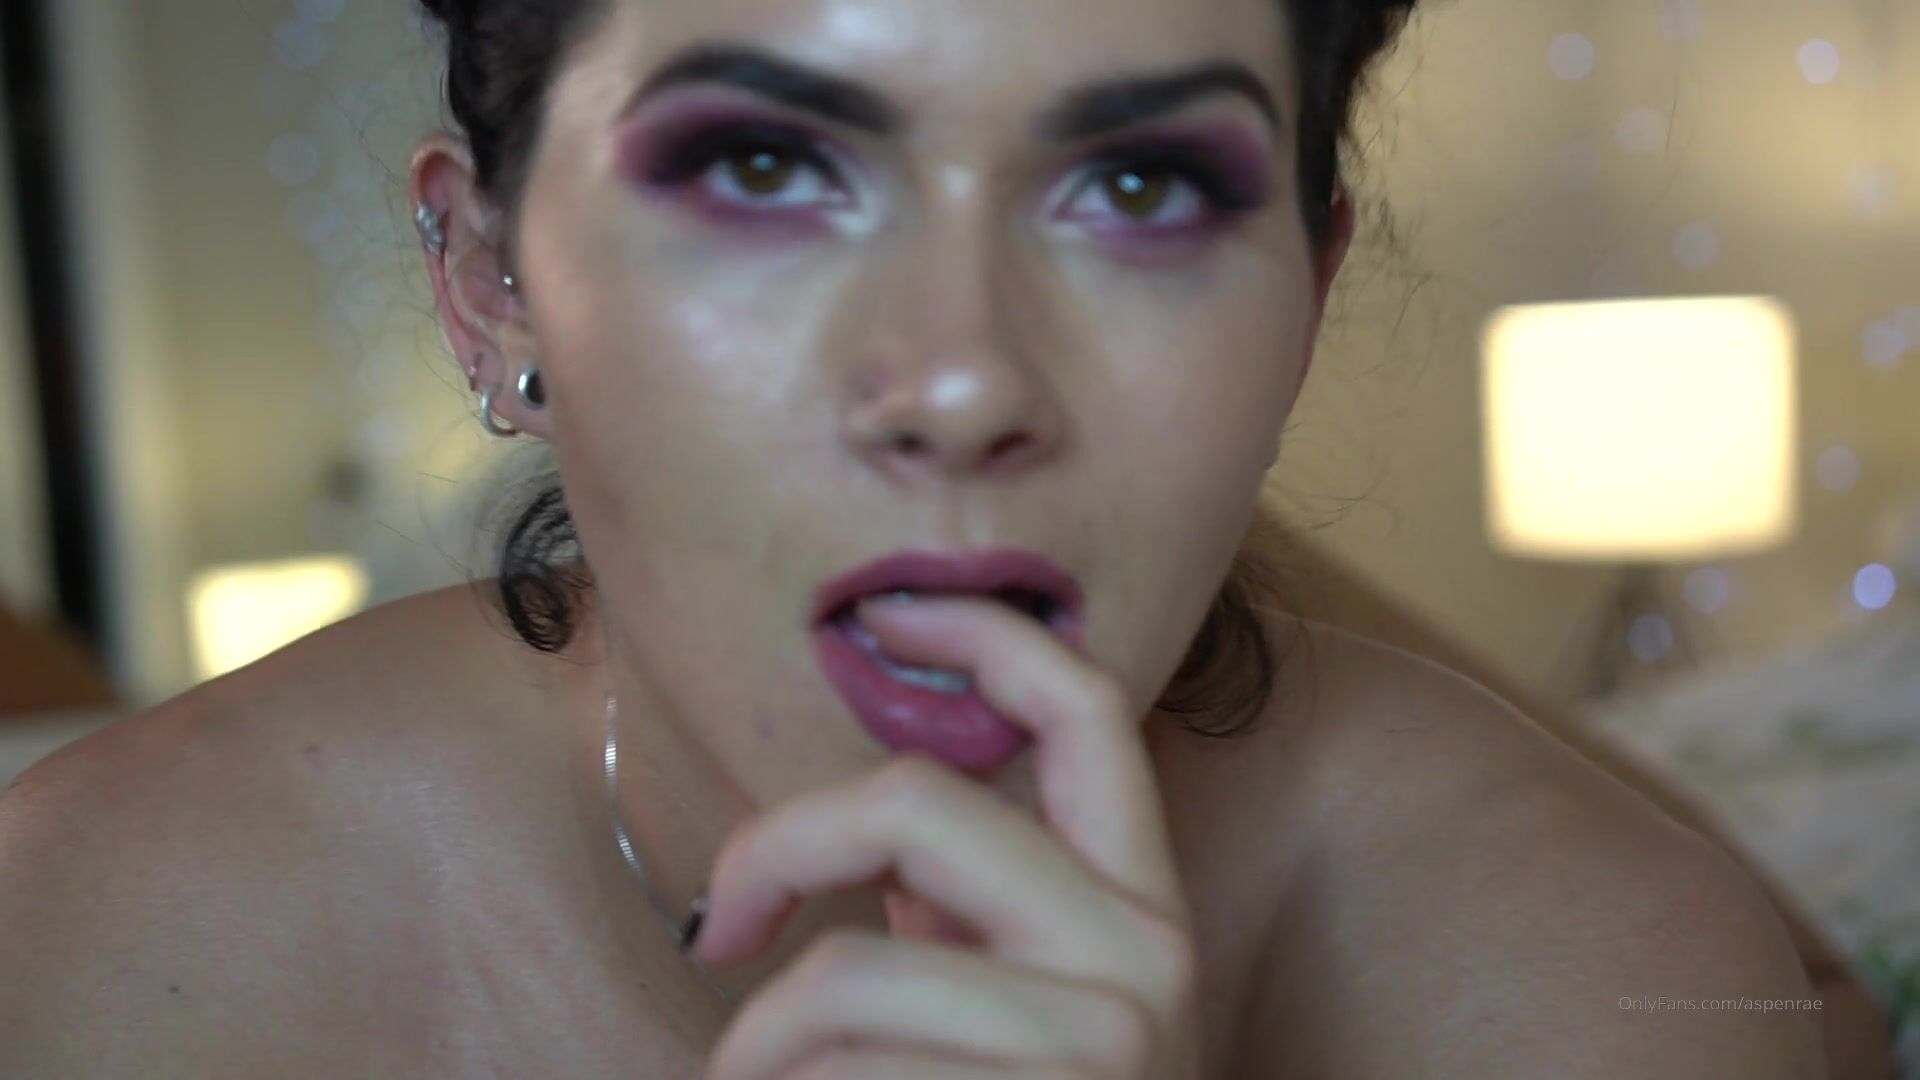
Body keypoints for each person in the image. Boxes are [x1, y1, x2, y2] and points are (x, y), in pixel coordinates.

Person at [0, 0, 1834, 1075]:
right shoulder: (101, 939)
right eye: (763, 166)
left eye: (1139, 184)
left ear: (1309, 300)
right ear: (491, 281)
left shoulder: (1608, 973)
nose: (963, 379)